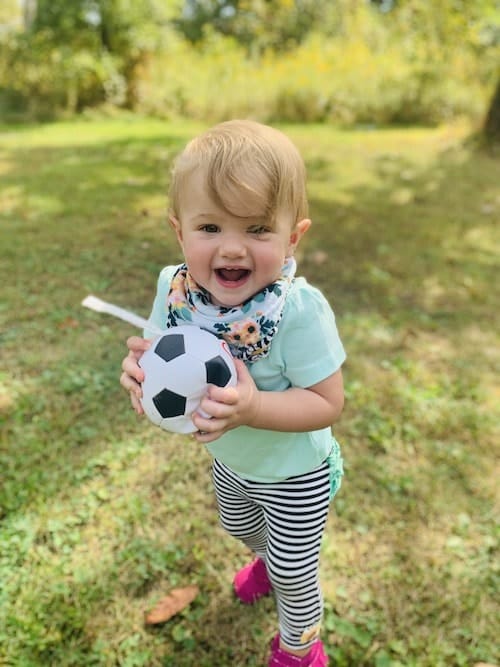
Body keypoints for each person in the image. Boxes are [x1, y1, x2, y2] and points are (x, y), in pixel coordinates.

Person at [120, 119, 346, 667]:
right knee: (239, 526)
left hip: (294, 472)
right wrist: (137, 373)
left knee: (297, 575)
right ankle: (266, 557)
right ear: (180, 232)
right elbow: (157, 349)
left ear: (294, 236)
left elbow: (327, 402)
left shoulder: (297, 311)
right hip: (230, 461)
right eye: (211, 227)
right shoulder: (176, 290)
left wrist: (254, 407)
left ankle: (300, 647)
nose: (232, 248)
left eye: (258, 229)